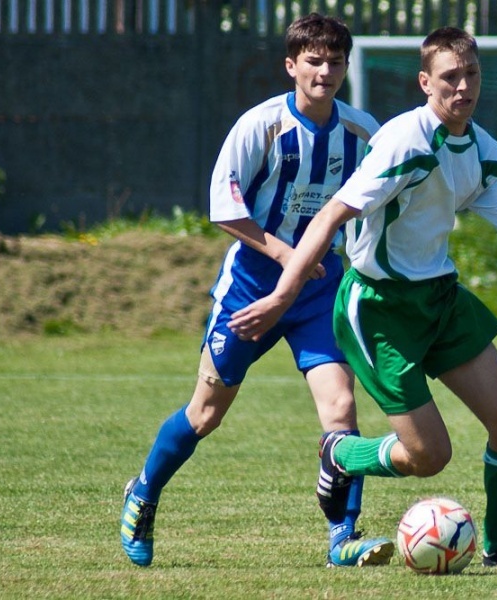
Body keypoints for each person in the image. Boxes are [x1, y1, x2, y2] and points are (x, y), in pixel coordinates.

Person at [227, 26, 497, 567]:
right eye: (450, 77)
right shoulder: (405, 141)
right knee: (430, 457)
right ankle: (342, 454)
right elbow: (333, 213)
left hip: (440, 299)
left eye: (471, 74)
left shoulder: (481, 146)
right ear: (425, 83)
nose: (463, 87)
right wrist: (284, 293)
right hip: (378, 309)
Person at [119, 13, 394, 568]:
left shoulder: (364, 131)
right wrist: (287, 254)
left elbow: (383, 204)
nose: (325, 72)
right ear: (291, 65)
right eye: (313, 61)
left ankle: (343, 538)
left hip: (320, 292)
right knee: (206, 414)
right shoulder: (260, 126)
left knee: (341, 408)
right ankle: (143, 492)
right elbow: (225, 208)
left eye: (335, 62)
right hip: (251, 288)